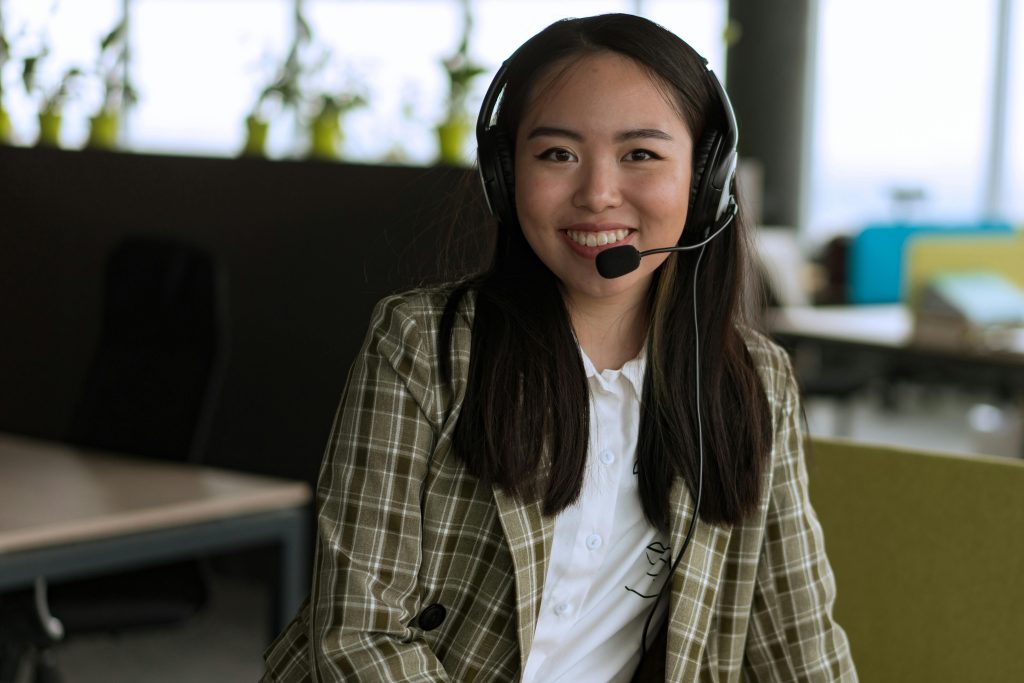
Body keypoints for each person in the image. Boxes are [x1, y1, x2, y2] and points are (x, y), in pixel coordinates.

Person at [262, 13, 856, 682]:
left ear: (705, 178)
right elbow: (359, 636)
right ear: (505, 174)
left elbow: (799, 643)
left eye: (641, 154)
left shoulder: (753, 383)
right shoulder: (423, 346)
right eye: (557, 154)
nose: (598, 194)